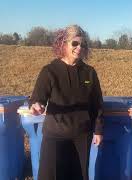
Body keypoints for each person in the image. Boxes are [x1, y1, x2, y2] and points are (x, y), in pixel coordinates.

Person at [29, 25, 103, 180]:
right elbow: (38, 96)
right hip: (55, 135)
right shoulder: (49, 71)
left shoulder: (89, 72)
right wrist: (36, 105)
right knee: (52, 175)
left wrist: (98, 130)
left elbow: (97, 104)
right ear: (63, 44)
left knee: (79, 175)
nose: (79, 48)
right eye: (74, 43)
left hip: (82, 134)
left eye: (82, 44)